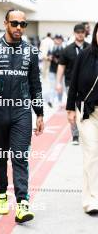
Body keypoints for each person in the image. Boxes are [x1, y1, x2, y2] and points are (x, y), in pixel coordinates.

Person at [0, 9, 44, 223]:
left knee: (20, 157)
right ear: (5, 23)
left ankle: (23, 205)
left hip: (22, 112)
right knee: (0, 156)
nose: (19, 28)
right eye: (15, 23)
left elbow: (35, 84)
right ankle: (1, 195)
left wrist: (39, 113)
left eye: (23, 24)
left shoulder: (31, 51)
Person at [66, 22, 98, 215]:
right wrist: (70, 108)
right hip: (87, 113)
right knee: (92, 153)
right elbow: (74, 82)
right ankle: (91, 200)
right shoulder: (85, 55)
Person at [56, 24, 90, 145]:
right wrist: (58, 83)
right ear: (74, 33)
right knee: (72, 109)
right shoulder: (67, 50)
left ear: (85, 33)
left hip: (87, 85)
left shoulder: (91, 48)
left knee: (86, 108)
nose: (80, 34)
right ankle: (75, 135)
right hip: (70, 84)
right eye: (78, 32)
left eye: (82, 32)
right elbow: (61, 67)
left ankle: (86, 133)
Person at [47, 34, 63, 108]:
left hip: (61, 71)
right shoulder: (51, 48)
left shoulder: (63, 49)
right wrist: (49, 58)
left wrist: (58, 60)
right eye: (56, 39)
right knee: (52, 86)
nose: (58, 40)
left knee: (60, 86)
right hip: (52, 70)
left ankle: (60, 101)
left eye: (59, 39)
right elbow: (48, 56)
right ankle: (51, 100)